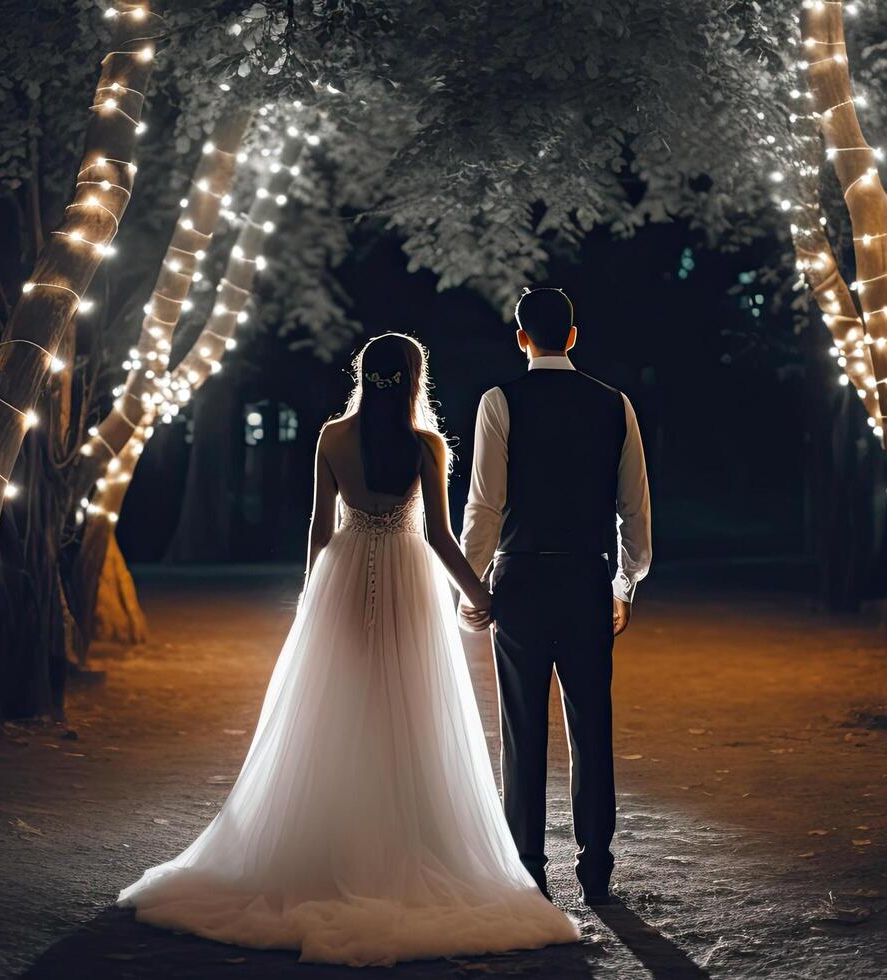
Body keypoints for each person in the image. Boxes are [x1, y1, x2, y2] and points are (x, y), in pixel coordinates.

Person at [118, 333, 579, 966]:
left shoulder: (333, 436)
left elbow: (319, 525)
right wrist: (480, 593)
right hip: (407, 581)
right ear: (415, 379)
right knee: (408, 707)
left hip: (343, 573)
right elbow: (442, 537)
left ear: (365, 375)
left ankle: (329, 843)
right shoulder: (426, 446)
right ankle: (399, 838)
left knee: (335, 706)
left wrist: (313, 595)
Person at [459, 286, 652, 906]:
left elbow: (484, 505)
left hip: (519, 582)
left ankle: (529, 868)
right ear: (573, 336)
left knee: (522, 730)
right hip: (585, 579)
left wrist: (471, 583)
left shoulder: (500, 402)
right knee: (591, 726)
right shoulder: (614, 405)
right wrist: (624, 582)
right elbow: (634, 509)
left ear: (522, 339)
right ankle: (596, 867)